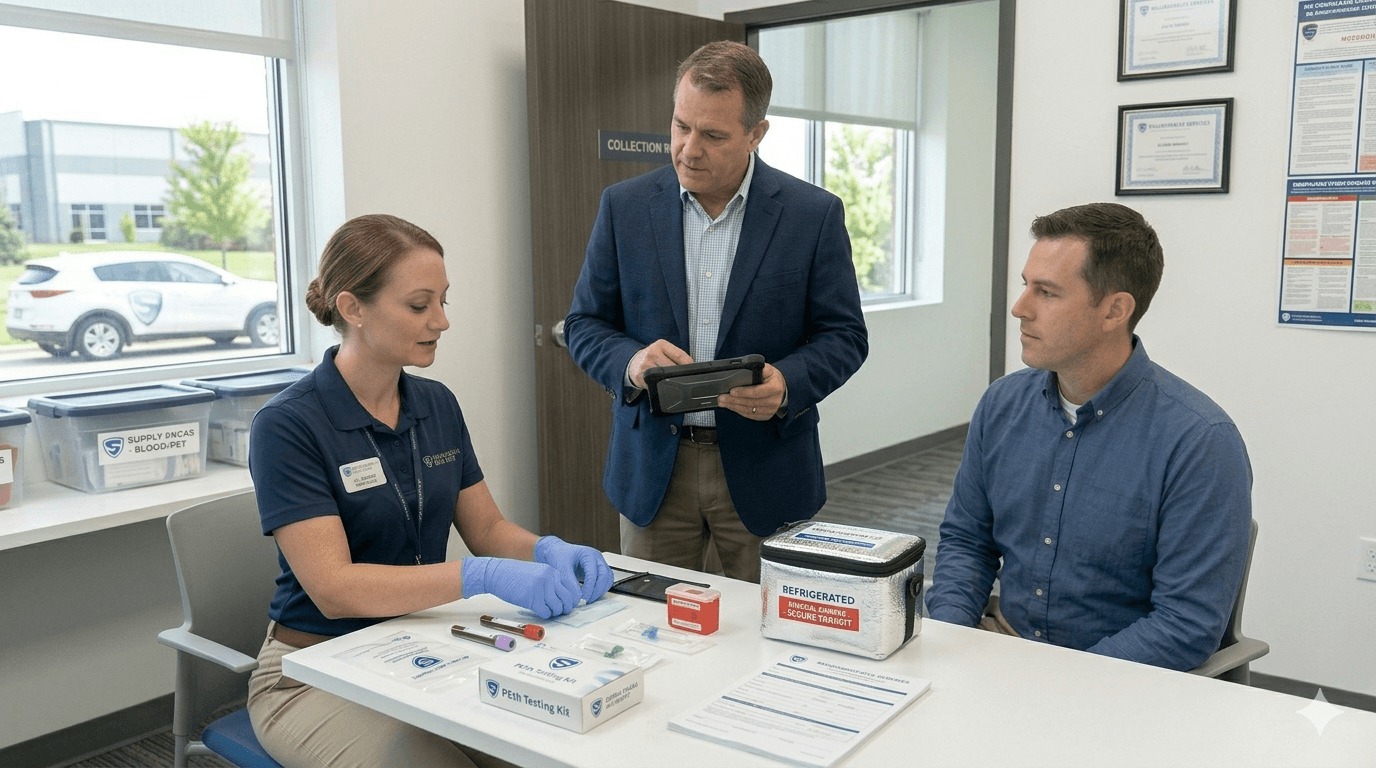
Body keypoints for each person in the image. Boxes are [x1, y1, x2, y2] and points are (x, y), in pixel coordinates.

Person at [246, 214, 614, 768]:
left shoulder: (436, 403)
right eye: (419, 306)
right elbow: (335, 589)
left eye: (444, 301)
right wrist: (478, 576)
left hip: (421, 646)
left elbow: (486, 529)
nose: (441, 321)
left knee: (544, 751)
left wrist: (546, 550)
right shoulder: (288, 425)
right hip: (312, 669)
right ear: (353, 309)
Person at [565, 41, 868, 583]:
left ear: (756, 134)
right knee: (652, 634)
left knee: (769, 639)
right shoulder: (624, 207)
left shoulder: (812, 215)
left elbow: (844, 335)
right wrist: (632, 361)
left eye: (712, 135)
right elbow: (584, 325)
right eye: (681, 126)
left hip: (766, 469)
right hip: (654, 470)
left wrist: (787, 383)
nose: (688, 149)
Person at [925, 202, 1252, 671]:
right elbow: (967, 542)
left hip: (1118, 687)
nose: (1020, 308)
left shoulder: (1200, 441)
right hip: (1005, 659)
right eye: (1025, 286)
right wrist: (951, 640)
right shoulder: (1001, 405)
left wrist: (1059, 681)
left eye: (1048, 293)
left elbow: (1186, 624)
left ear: (1115, 310)